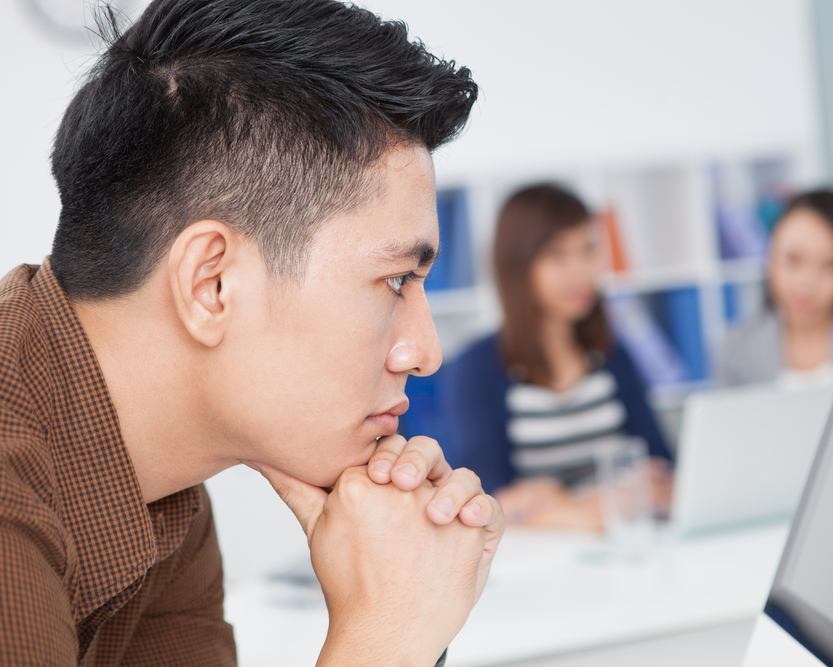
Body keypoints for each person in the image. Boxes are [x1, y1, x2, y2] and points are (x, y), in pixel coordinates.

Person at [0, 1, 505, 665]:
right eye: (393, 282)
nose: (425, 353)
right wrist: (389, 636)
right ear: (212, 283)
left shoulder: (165, 491)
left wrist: (406, 603)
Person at [444, 184, 673, 531]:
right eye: (558, 256)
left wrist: (557, 501)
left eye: (587, 251)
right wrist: (603, 502)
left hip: (627, 539)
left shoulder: (612, 355)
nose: (579, 271)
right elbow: (490, 499)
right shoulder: (476, 369)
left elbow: (661, 467)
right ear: (519, 265)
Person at [716, 189, 833, 388]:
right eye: (793, 260)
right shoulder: (736, 351)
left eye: (831, 265)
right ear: (771, 259)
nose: (806, 283)